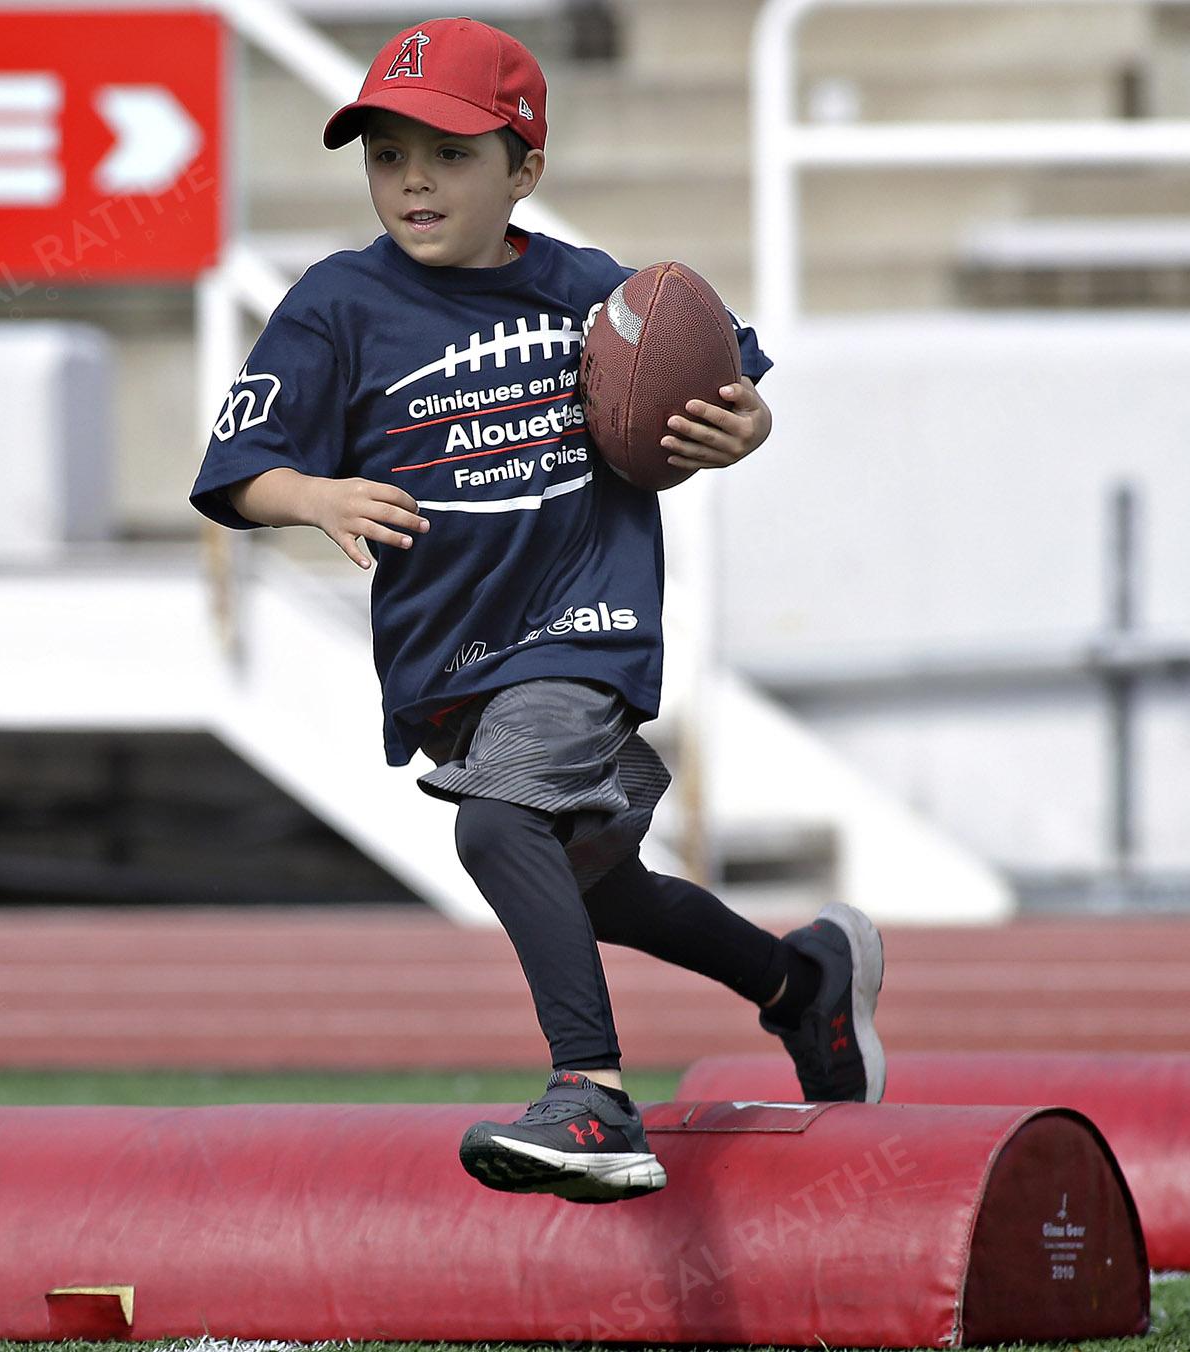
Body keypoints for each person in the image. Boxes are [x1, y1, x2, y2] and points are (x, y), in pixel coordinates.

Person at [190, 16, 884, 1203]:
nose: (413, 179)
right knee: (597, 887)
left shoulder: (594, 293)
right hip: (449, 665)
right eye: (387, 153)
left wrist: (743, 425)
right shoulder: (334, 305)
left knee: (495, 824)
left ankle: (591, 1091)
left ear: (525, 169)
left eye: (450, 155)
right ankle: (800, 981)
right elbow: (234, 469)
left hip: (579, 633)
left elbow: (727, 381)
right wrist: (311, 492)